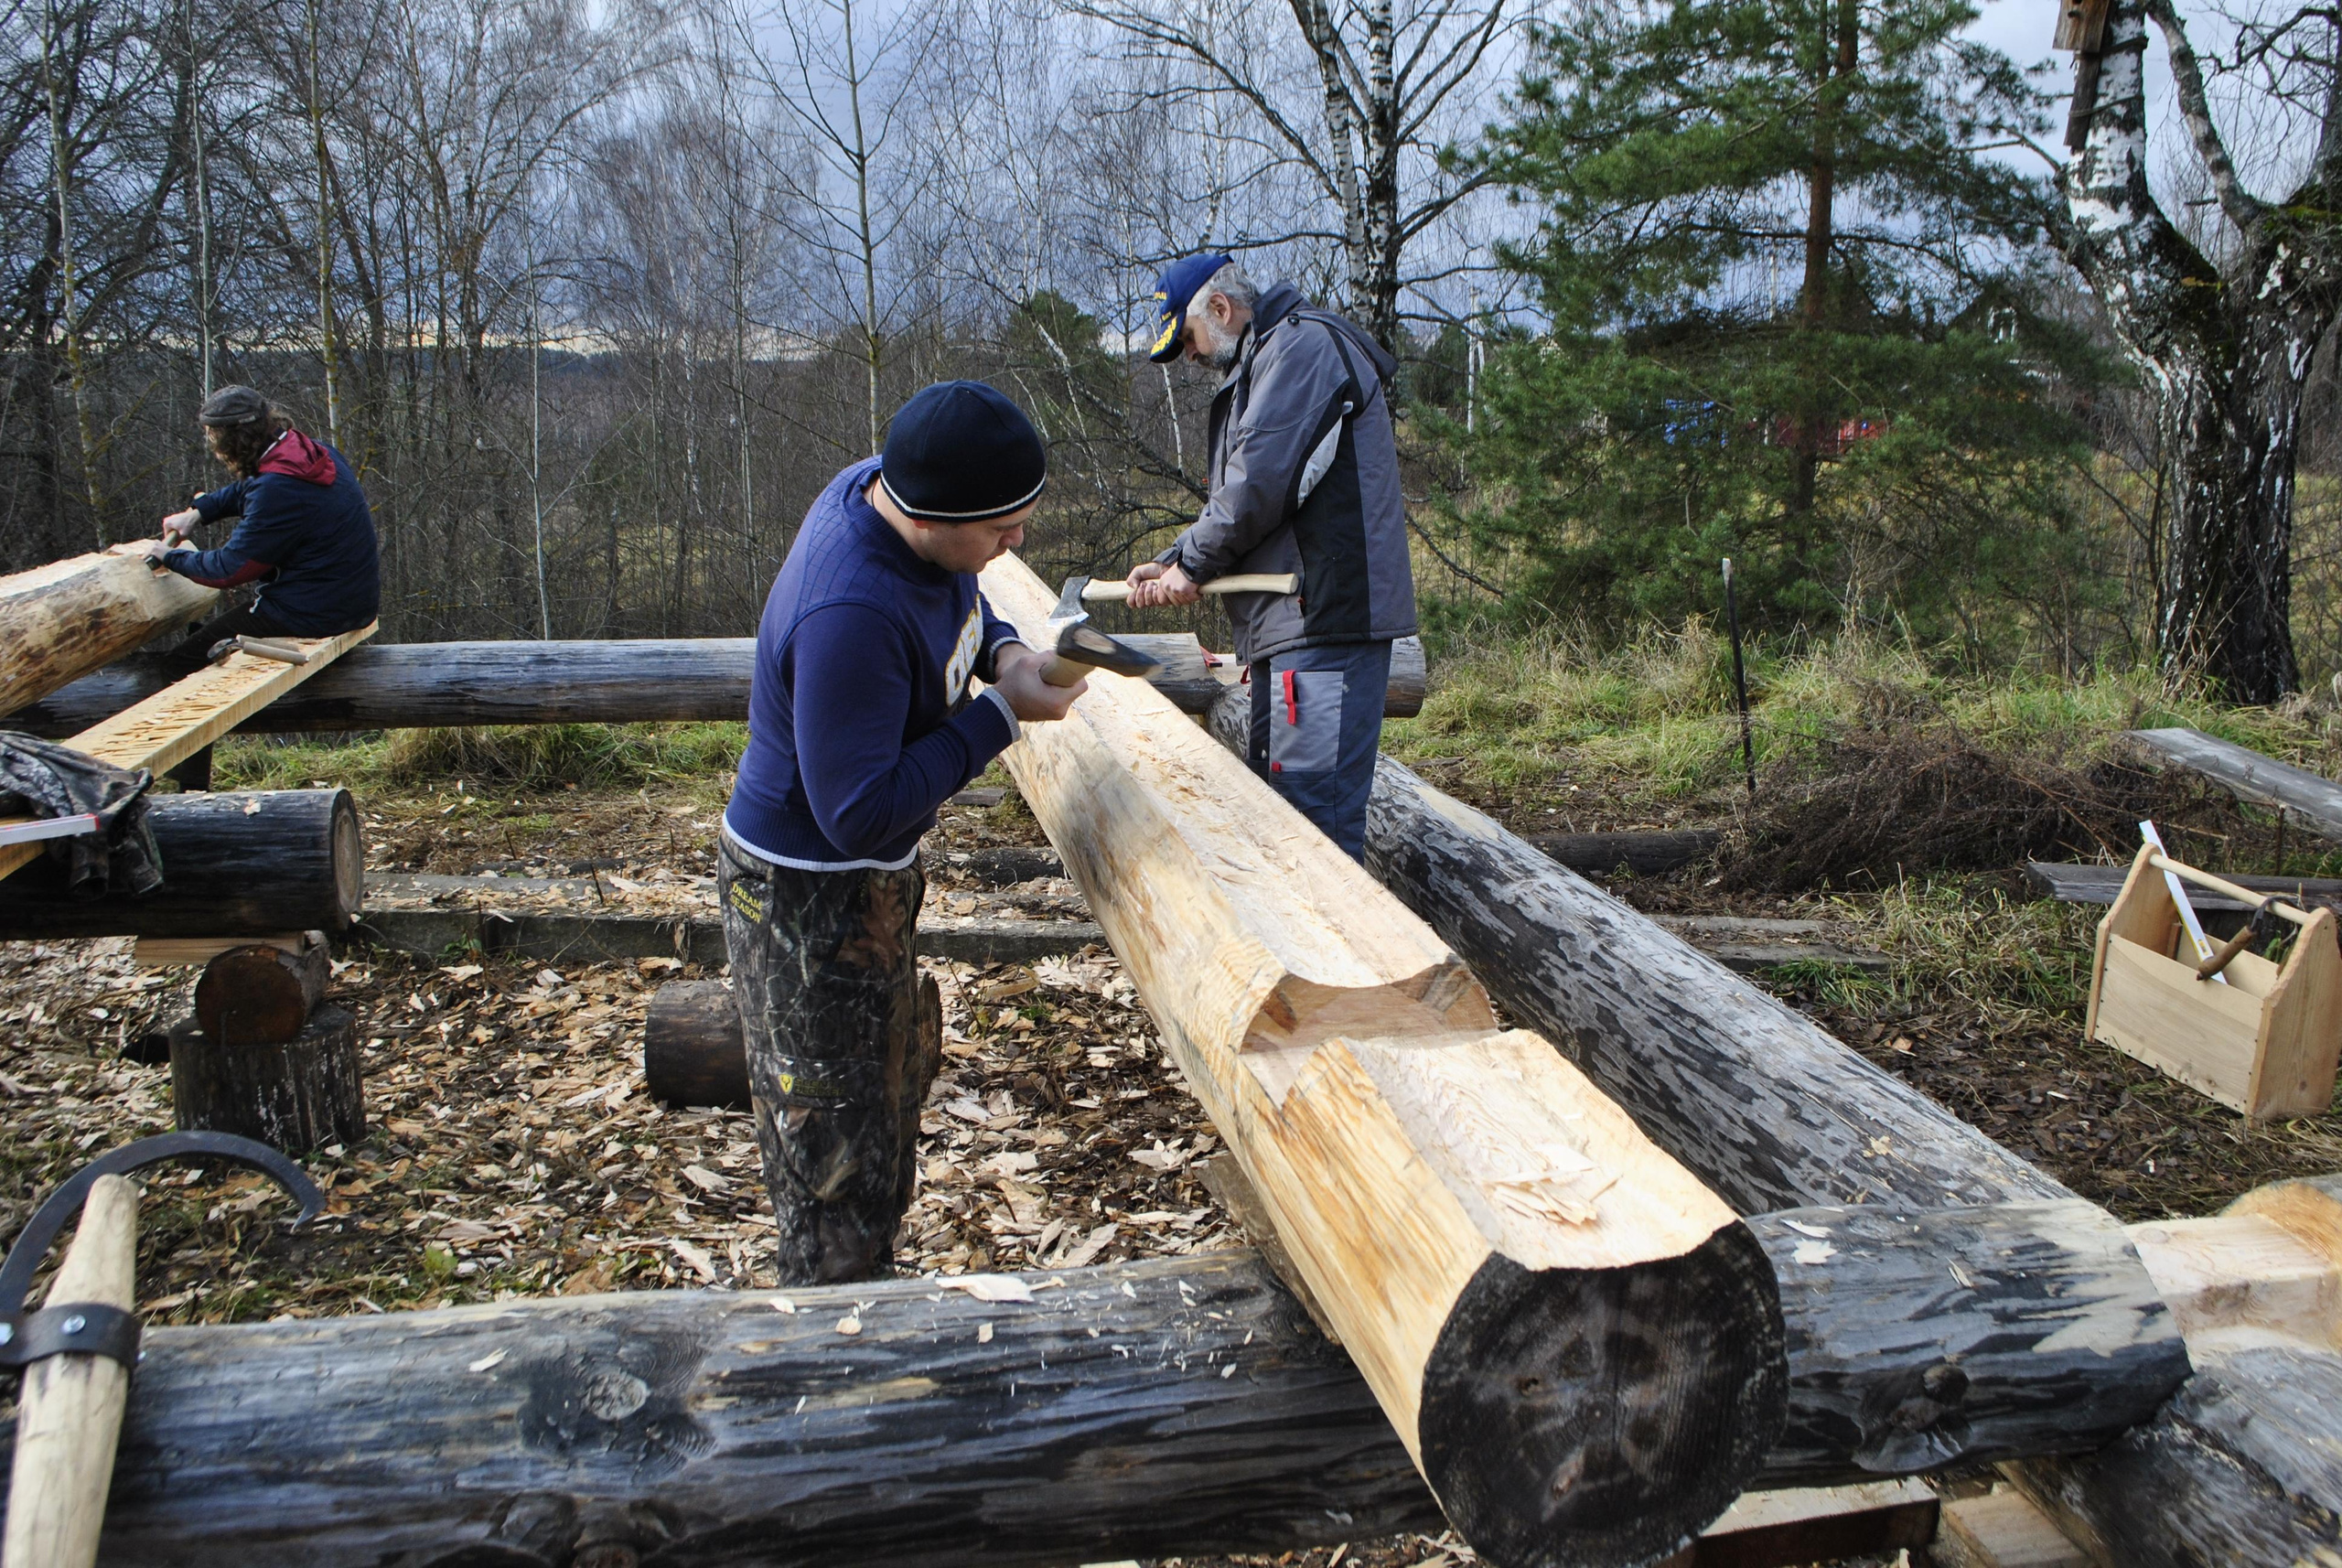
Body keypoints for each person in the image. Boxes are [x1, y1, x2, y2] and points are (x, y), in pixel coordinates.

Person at [721, 380, 1082, 1283]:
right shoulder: (849, 613)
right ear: (929, 515)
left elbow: (960, 596)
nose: (1016, 543)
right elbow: (860, 809)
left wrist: (1001, 650)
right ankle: (838, 1339)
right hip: (810, 901)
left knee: (878, 1105)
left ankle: (870, 1274)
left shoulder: (890, 495)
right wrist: (999, 714)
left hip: (863, 885)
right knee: (833, 1154)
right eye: (1001, 529)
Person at [1125, 254, 1416, 861]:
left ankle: (1342, 956)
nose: (1191, 356)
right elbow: (1246, 491)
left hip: (1321, 630)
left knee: (1312, 828)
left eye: (1187, 339)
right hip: (1296, 632)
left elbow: (1260, 482)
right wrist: (1175, 558)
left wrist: (1194, 567)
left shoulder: (1302, 350)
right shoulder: (1269, 357)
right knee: (1286, 813)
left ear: (1222, 309)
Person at [136, 384, 381, 665]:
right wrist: (198, 513)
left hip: (313, 614)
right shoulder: (312, 454)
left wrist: (170, 557)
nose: (211, 446)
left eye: (212, 436)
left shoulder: (277, 488)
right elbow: (250, 488)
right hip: (347, 603)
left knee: (179, 664)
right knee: (209, 640)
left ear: (232, 440)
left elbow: (228, 569)